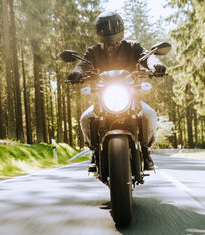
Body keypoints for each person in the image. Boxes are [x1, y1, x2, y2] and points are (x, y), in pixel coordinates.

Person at [67, 11, 166, 170]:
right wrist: (77, 73)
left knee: (149, 114)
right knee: (86, 118)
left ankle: (146, 151)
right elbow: (82, 64)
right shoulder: (93, 51)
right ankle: (95, 152)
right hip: (103, 99)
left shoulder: (133, 47)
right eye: (104, 29)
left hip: (130, 97)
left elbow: (147, 57)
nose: (111, 41)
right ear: (100, 32)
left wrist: (155, 65)